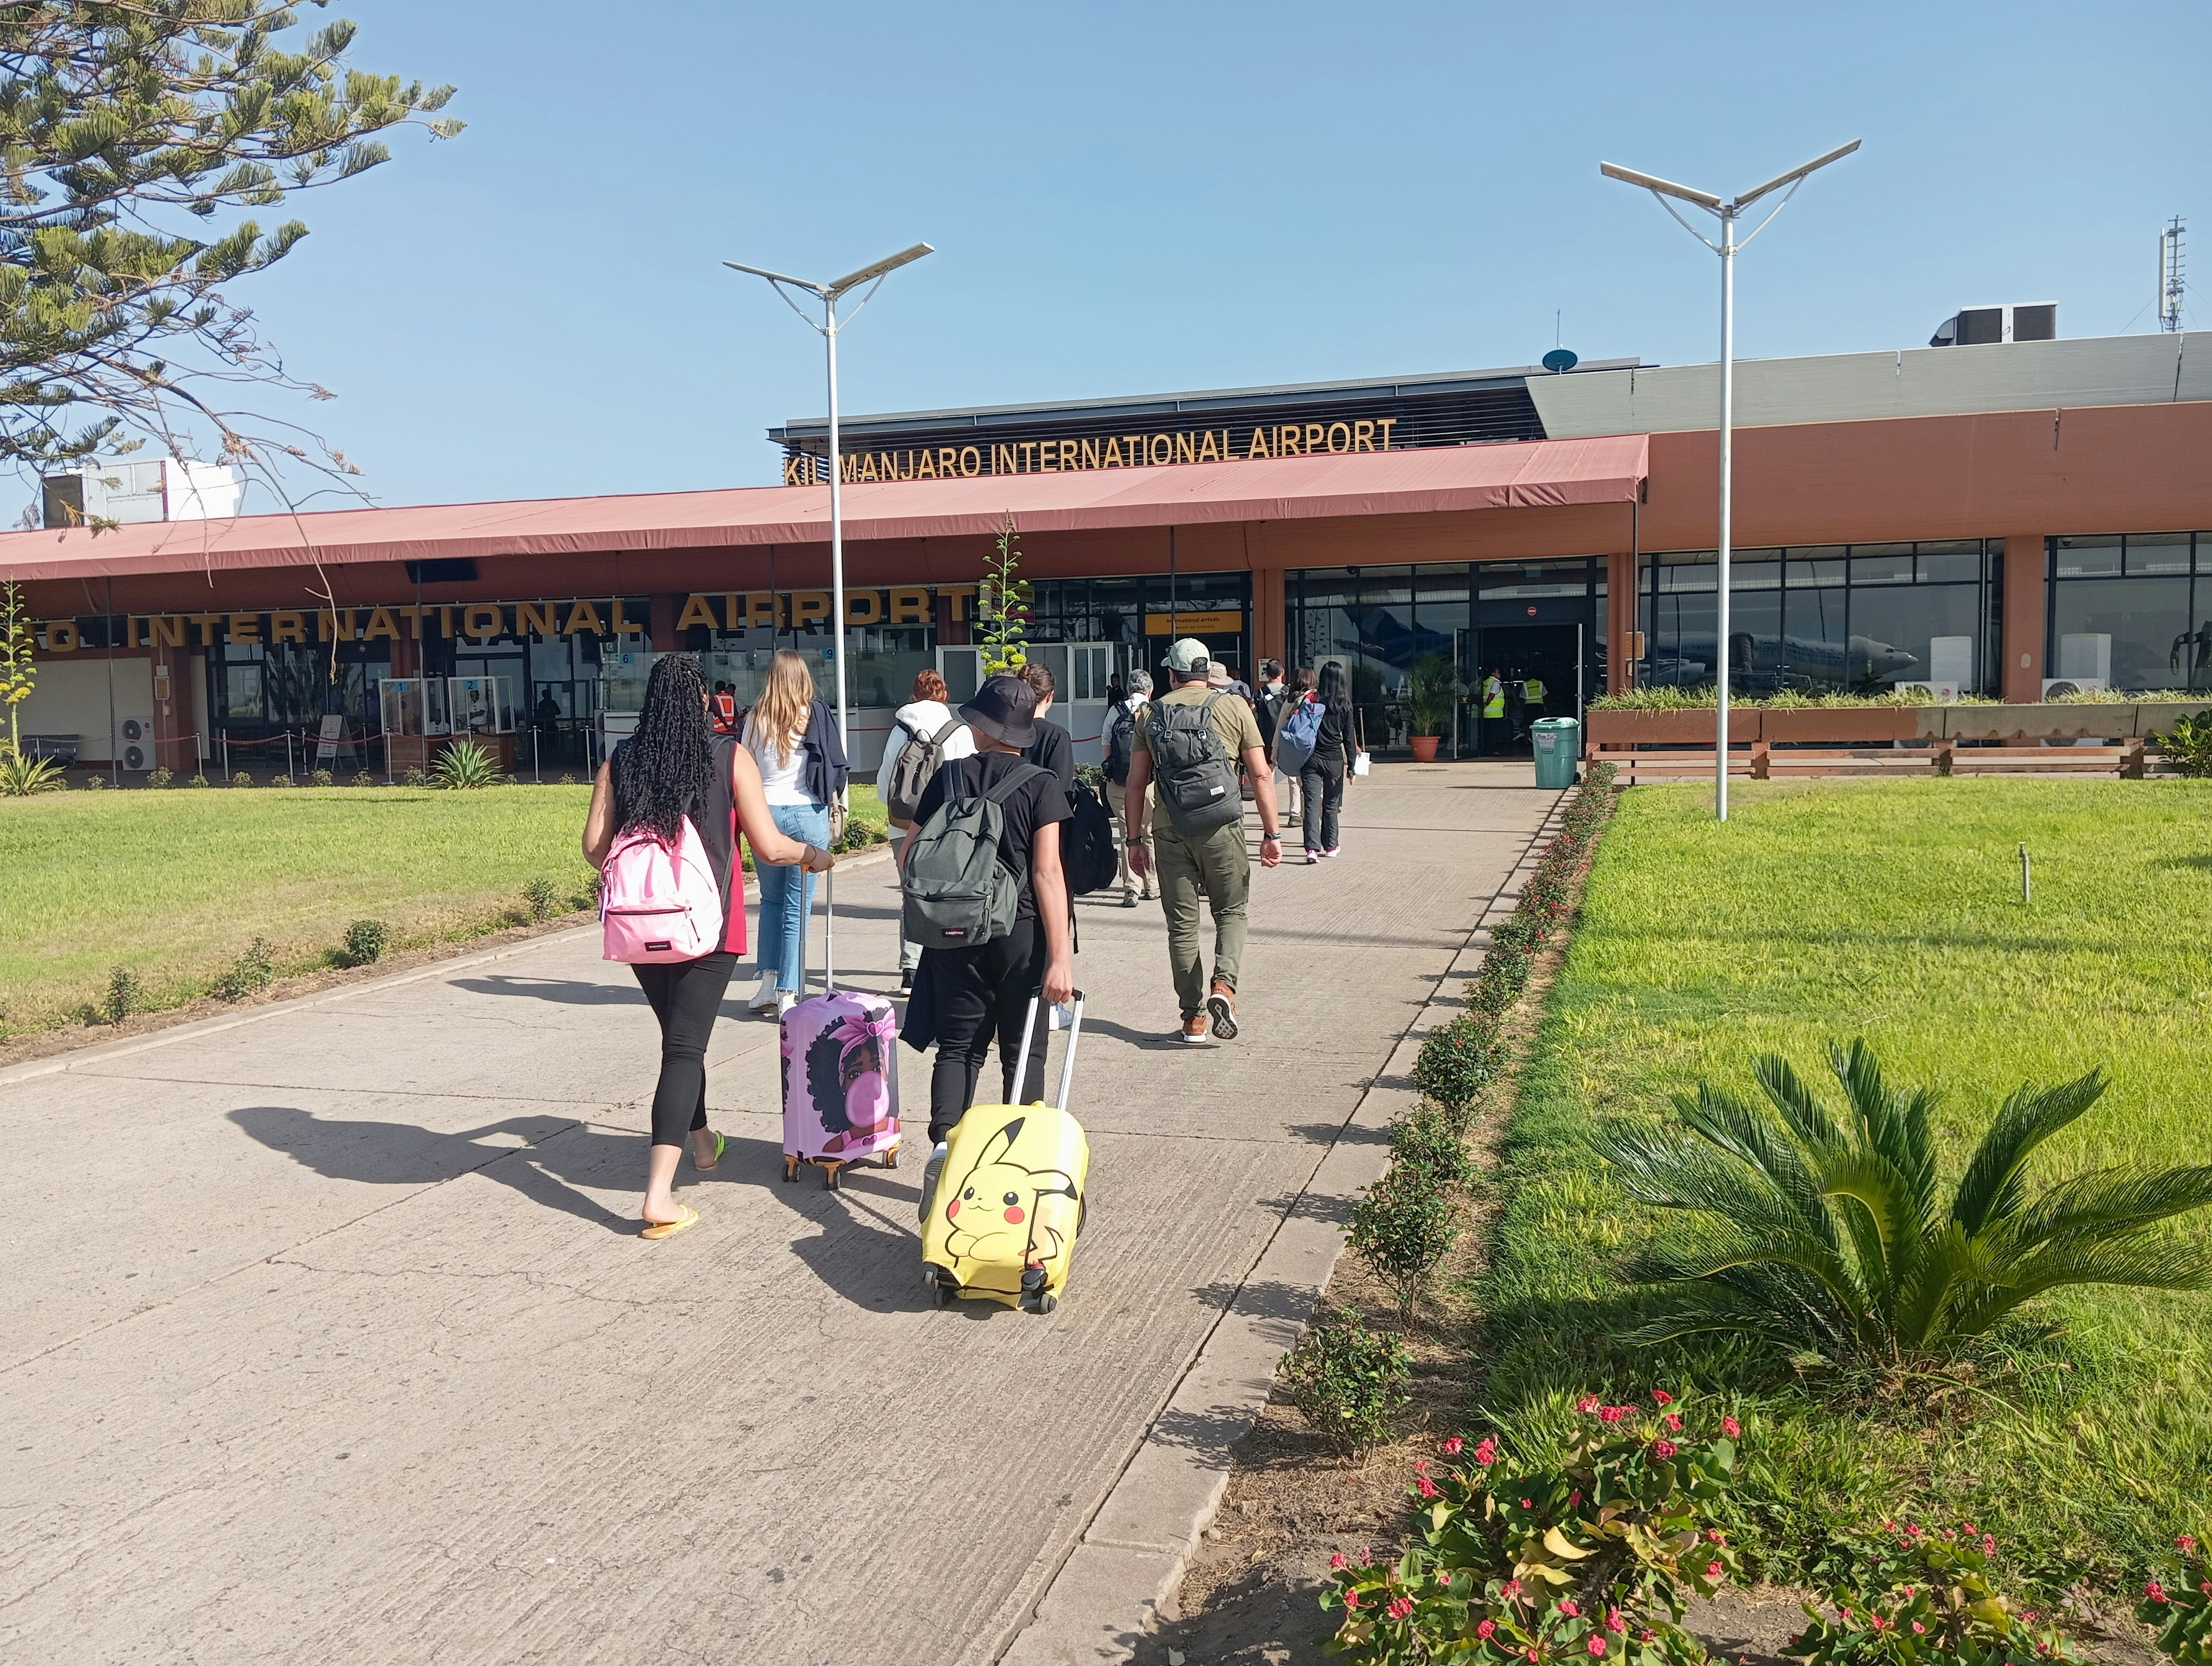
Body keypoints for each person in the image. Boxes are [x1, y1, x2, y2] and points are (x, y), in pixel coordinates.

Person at [581, 652, 834, 1239]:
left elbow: (596, 846)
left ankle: (702, 1144)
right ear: (703, 702)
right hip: (708, 925)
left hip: (641, 926)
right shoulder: (728, 756)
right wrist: (813, 855)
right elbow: (771, 846)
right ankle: (659, 1197)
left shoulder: (621, 761)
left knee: (678, 1039)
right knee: (684, 1050)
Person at [899, 674, 1076, 1163]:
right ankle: (1018, 1161)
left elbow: (909, 855)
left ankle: (943, 1149)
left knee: (958, 1047)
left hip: (954, 930)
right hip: (1020, 932)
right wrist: (1060, 958)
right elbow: (1047, 873)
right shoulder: (1042, 786)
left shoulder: (949, 777)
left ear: (980, 726)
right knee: (1023, 1050)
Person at [1123, 638, 1282, 1044]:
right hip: (1222, 827)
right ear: (1208, 671)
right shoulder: (1234, 706)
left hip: (1169, 828)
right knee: (1231, 911)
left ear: (1172, 675)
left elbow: (1136, 782)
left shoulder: (1150, 714)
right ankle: (1223, 987)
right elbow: (1262, 775)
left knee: (1182, 926)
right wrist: (1271, 833)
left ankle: (1193, 1020)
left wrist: (1134, 840)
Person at [742, 649, 850, 1016]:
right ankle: (790, 991)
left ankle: (767, 986)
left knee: (770, 901)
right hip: (807, 813)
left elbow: (745, 768)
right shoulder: (814, 714)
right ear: (804, 676)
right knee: (796, 908)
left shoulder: (755, 718)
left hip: (765, 814)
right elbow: (836, 764)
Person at [879, 668, 975, 992]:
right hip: (945, 826)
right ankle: (945, 964)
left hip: (903, 825)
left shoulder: (900, 730)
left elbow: (885, 784)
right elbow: (969, 783)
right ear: (943, 695)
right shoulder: (958, 730)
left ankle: (910, 968)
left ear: (914, 694)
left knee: (912, 893)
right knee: (948, 893)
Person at [1104, 668, 1154, 907]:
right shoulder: (1155, 711)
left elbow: (1106, 744)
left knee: (1127, 835)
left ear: (1127, 689)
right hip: (1148, 784)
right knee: (1149, 832)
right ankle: (1151, 884)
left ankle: (1131, 889)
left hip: (1121, 783)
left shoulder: (1116, 711)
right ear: (1150, 690)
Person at [1300, 661, 1357, 863]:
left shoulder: (1311, 700)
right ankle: (1331, 845)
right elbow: (1350, 737)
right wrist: (1352, 766)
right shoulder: (1345, 705)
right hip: (1334, 760)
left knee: (1311, 805)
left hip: (1311, 759)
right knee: (1331, 804)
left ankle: (1312, 849)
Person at [1015, 661, 1075, 794]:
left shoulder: (1004, 729)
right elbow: (1063, 789)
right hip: (1043, 810)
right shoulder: (1056, 735)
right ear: (1050, 696)